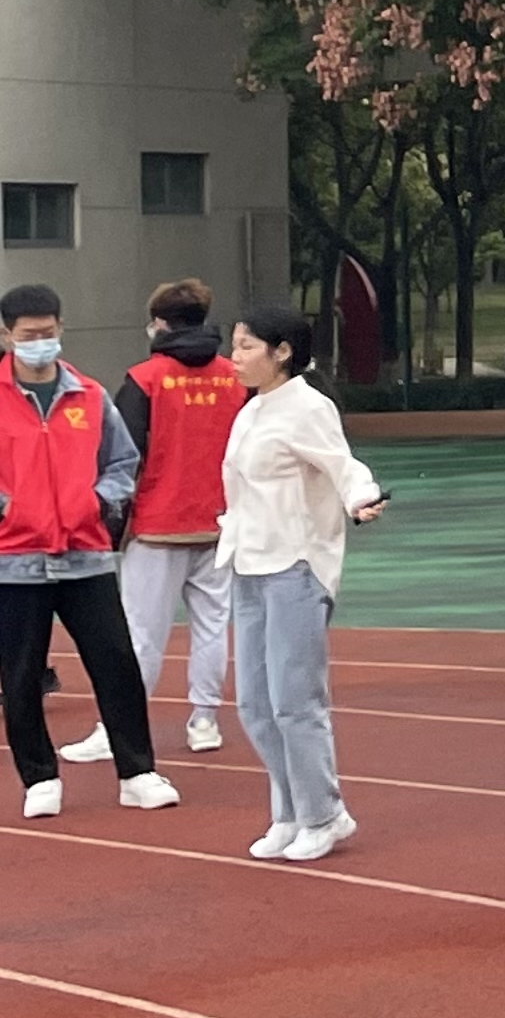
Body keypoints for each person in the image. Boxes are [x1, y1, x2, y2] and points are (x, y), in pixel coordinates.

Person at [0, 282, 176, 819]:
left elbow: (123, 460)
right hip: (14, 560)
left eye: (47, 332)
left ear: (61, 329)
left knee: (116, 662)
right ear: (6, 336)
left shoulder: (90, 395)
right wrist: (9, 509)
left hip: (85, 554)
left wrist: (98, 502)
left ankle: (137, 772)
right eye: (28, 334)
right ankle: (39, 778)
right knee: (21, 675)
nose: (40, 342)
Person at [218, 302, 385, 859]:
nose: (235, 357)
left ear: (282, 352)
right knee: (254, 704)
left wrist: (361, 499)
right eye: (234, 346)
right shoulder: (251, 410)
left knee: (295, 702)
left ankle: (325, 814)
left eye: (246, 346)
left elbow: (344, 466)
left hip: (295, 565)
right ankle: (289, 811)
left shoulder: (308, 407)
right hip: (248, 564)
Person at [59, 278, 242, 767]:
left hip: (158, 524)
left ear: (159, 323)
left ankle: (118, 729)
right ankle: (204, 720)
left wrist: (109, 522)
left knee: (140, 634)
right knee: (212, 626)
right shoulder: (235, 377)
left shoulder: (144, 379)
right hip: (221, 521)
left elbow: (122, 455)